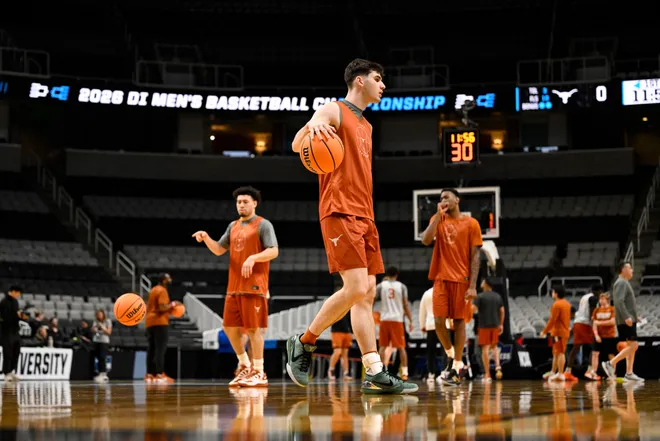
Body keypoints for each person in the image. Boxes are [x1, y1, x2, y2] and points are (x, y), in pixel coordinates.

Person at [285, 58, 417, 394]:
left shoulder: (368, 126)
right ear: (360, 81)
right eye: (378, 78)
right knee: (357, 287)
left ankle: (374, 370)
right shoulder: (333, 110)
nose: (383, 85)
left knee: (366, 294)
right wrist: (312, 126)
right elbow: (300, 138)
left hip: (366, 215)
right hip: (339, 210)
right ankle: (304, 342)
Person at [193, 186, 279, 388]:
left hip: (255, 286)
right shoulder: (233, 226)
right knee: (229, 328)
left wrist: (254, 258)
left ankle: (259, 371)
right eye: (239, 202)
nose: (241, 205)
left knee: (253, 330)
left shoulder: (263, 225)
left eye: (245, 201)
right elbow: (218, 250)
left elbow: (274, 251)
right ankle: (245, 364)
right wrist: (206, 238)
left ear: (254, 203)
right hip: (234, 286)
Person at [420, 188, 483, 386]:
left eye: (446, 197)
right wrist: (438, 217)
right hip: (440, 278)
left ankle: (456, 365)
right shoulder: (438, 219)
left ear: (457, 199)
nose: (443, 200)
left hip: (461, 280)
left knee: (459, 323)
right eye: (440, 199)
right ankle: (451, 355)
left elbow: (475, 256)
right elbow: (425, 240)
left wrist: (472, 285)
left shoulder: (472, 223)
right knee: (438, 321)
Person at [601, 261, 644, 382]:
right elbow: (619, 301)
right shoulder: (621, 282)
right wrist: (626, 317)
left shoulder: (624, 283)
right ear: (623, 269)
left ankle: (629, 373)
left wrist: (635, 317)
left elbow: (625, 303)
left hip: (628, 319)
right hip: (625, 320)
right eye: (630, 268)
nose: (632, 271)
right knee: (634, 346)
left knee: (631, 346)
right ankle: (610, 363)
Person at [376, 266, 413, 380]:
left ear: (386, 275)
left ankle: (381, 372)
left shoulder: (380, 286)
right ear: (396, 274)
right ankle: (405, 373)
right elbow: (405, 304)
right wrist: (410, 320)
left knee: (382, 347)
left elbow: (372, 300)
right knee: (401, 348)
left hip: (384, 319)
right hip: (397, 320)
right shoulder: (402, 287)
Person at [145, 273, 178, 384]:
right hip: (160, 322)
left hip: (150, 322)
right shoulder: (162, 290)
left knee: (151, 349)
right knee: (160, 349)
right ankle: (159, 374)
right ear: (163, 280)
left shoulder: (153, 290)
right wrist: (173, 305)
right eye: (168, 277)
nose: (170, 279)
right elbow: (161, 307)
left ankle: (150, 375)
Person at [564, 284, 600, 381]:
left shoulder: (585, 297)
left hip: (577, 323)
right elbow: (592, 314)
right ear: (598, 291)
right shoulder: (593, 298)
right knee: (594, 348)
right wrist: (594, 327)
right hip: (585, 324)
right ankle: (589, 371)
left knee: (575, 348)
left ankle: (567, 372)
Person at [474, 277, 504, 382]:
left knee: (485, 349)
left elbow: (473, 310)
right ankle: (498, 366)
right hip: (495, 325)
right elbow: (502, 311)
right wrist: (501, 324)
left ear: (486, 284)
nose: (481, 283)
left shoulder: (480, 296)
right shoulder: (497, 296)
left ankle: (487, 374)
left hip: (484, 326)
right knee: (494, 347)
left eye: (482, 281)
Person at [540, 285, 571, 381]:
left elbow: (552, 320)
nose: (552, 294)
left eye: (553, 292)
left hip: (559, 332)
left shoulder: (557, 304)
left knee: (560, 352)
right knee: (556, 353)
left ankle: (560, 373)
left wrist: (544, 331)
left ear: (556, 293)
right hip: (561, 331)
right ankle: (553, 372)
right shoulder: (567, 303)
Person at [590, 291, 615, 380]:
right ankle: (594, 372)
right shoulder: (596, 310)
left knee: (611, 354)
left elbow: (612, 322)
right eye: (600, 298)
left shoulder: (612, 309)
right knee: (595, 353)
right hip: (598, 336)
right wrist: (596, 335)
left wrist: (599, 323)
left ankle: (612, 373)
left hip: (609, 335)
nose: (601, 300)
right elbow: (594, 324)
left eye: (603, 298)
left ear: (607, 300)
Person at [0, 285, 22, 382]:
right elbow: (3, 317)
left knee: (16, 351)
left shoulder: (15, 302)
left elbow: (15, 315)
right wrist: (15, 316)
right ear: (12, 291)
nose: (18, 295)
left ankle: (12, 371)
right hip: (6, 331)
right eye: (17, 293)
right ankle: (6, 373)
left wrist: (20, 316)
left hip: (15, 330)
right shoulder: (4, 302)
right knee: (8, 352)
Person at [419, 287, 438, 383]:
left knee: (431, 351)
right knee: (446, 350)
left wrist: (422, 324)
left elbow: (422, 310)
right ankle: (445, 372)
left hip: (431, 325)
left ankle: (431, 373)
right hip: (444, 325)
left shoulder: (427, 293)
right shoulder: (446, 291)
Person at [328, 312, 353, 381]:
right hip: (336, 331)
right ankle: (331, 370)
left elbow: (351, 320)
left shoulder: (349, 307)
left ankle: (346, 373)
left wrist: (352, 332)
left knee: (345, 354)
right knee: (337, 352)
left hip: (347, 332)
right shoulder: (336, 305)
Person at [91, 309, 112, 383]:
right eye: (98, 314)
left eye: (100, 314)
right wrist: (95, 328)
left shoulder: (107, 321)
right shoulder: (95, 321)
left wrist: (103, 327)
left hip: (104, 341)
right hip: (96, 341)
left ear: (103, 314)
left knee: (102, 357)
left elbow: (109, 332)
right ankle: (99, 373)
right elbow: (92, 330)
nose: (99, 316)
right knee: (98, 357)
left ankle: (103, 373)